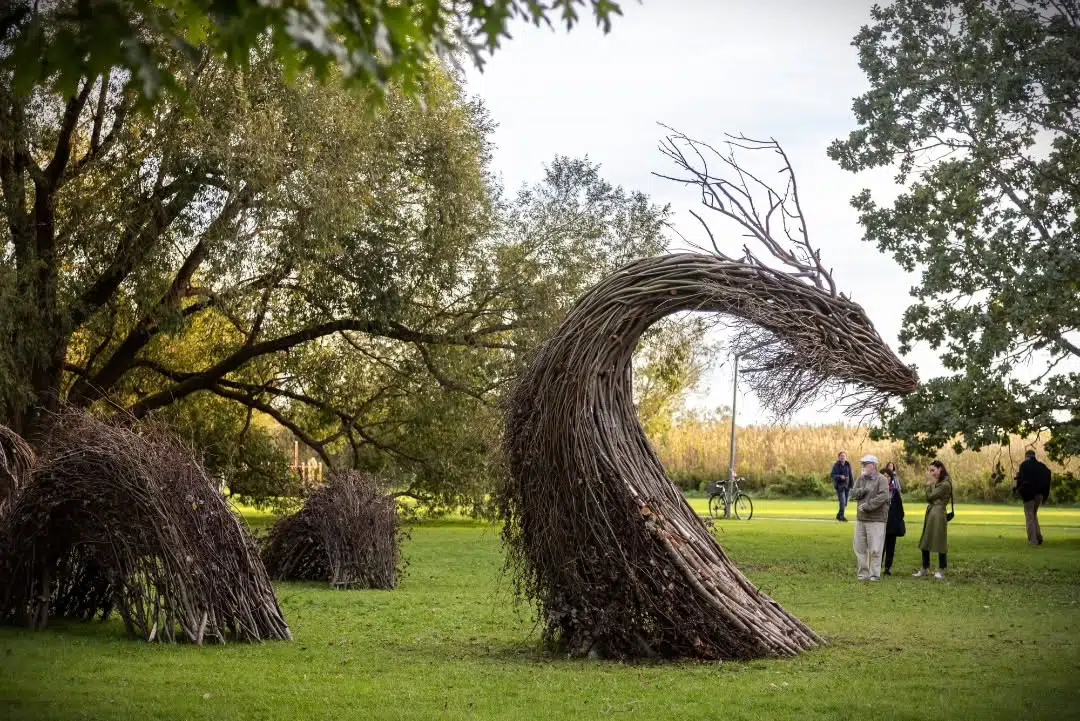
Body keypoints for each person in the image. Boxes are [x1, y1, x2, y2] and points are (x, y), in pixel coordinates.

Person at [849, 454, 890, 581]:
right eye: (862, 464)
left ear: (873, 466)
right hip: (861, 519)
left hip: (876, 519)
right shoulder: (860, 478)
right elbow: (853, 493)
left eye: (865, 464)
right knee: (860, 548)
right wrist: (863, 490)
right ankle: (863, 574)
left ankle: (874, 574)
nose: (863, 467)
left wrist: (868, 506)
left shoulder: (882, 479)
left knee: (875, 548)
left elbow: (883, 496)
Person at [914, 460, 952, 579]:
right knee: (925, 540)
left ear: (940, 468)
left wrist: (929, 485)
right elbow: (930, 498)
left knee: (940, 541)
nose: (931, 473)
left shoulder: (945, 484)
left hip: (939, 515)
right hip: (932, 513)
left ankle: (941, 569)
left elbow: (930, 496)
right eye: (930, 470)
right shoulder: (940, 483)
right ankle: (925, 568)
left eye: (933, 470)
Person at [1014, 449, 1052, 545]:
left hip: (1028, 495)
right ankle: (1038, 537)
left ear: (1027, 456)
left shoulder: (1024, 465)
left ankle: (1033, 540)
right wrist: (1045, 496)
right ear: (1034, 456)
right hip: (1039, 495)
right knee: (1034, 515)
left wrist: (1018, 490)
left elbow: (1021, 480)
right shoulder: (1042, 467)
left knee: (1029, 516)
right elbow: (1048, 480)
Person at [882, 461, 905, 576]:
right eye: (884, 476)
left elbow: (900, 509)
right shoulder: (877, 491)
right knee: (879, 546)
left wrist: (896, 519)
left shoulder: (895, 491)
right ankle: (876, 566)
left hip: (891, 524)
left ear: (891, 478)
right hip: (880, 523)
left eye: (888, 477)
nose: (886, 478)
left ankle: (887, 568)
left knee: (891, 546)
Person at [831, 450, 855, 522]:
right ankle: (841, 517)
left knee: (845, 503)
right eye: (841, 456)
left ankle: (839, 515)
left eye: (844, 456)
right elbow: (832, 475)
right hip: (840, 486)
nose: (842, 457)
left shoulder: (848, 464)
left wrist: (852, 485)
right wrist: (840, 476)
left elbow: (851, 475)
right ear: (838, 457)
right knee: (842, 502)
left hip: (848, 486)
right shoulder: (836, 465)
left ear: (846, 457)